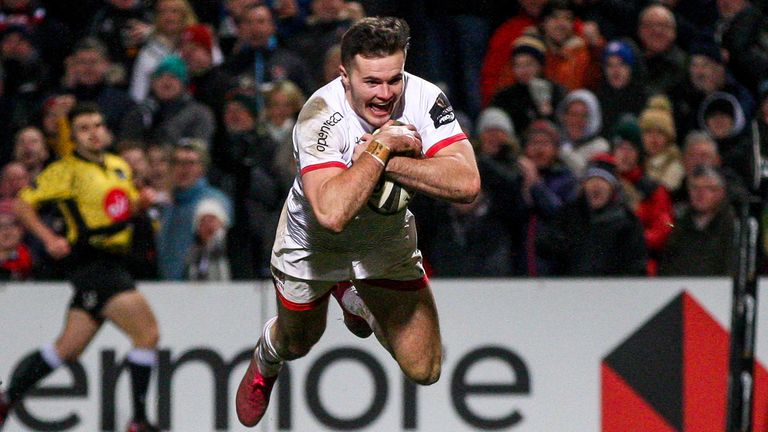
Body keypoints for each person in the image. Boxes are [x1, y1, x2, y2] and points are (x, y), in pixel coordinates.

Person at [235, 16, 480, 427]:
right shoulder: (319, 116)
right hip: (313, 245)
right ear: (344, 76)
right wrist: (383, 145)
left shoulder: (424, 97)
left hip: (385, 241)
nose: (385, 94)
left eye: (394, 79)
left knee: (426, 368)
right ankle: (267, 354)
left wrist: (387, 160)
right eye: (372, 82)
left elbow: (467, 183)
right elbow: (331, 213)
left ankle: (355, 297)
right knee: (298, 342)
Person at [0, 103, 160, 431]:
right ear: (72, 136)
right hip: (92, 262)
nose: (94, 132)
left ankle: (5, 400)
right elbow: (22, 203)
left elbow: (120, 208)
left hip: (116, 260)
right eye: (84, 127)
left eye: (98, 125)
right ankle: (139, 421)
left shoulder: (117, 166)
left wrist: (139, 203)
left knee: (66, 350)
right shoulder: (65, 170)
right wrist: (47, 238)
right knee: (147, 333)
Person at [535, 154, 647, 276]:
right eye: (591, 179)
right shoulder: (568, 215)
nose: (596, 184)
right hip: (572, 289)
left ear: (613, 188)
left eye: (603, 180)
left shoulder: (628, 222)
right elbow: (544, 247)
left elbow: (636, 266)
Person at [155, 139, 231, 280]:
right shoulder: (166, 205)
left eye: (190, 163)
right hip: (165, 287)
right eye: (177, 162)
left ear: (202, 167)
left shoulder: (213, 199)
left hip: (199, 288)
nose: (183, 169)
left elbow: (214, 217)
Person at [658, 165, 736, 276]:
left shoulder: (733, 225)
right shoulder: (679, 224)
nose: (700, 194)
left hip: (718, 290)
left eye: (708, 188)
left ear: (721, 192)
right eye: (695, 188)